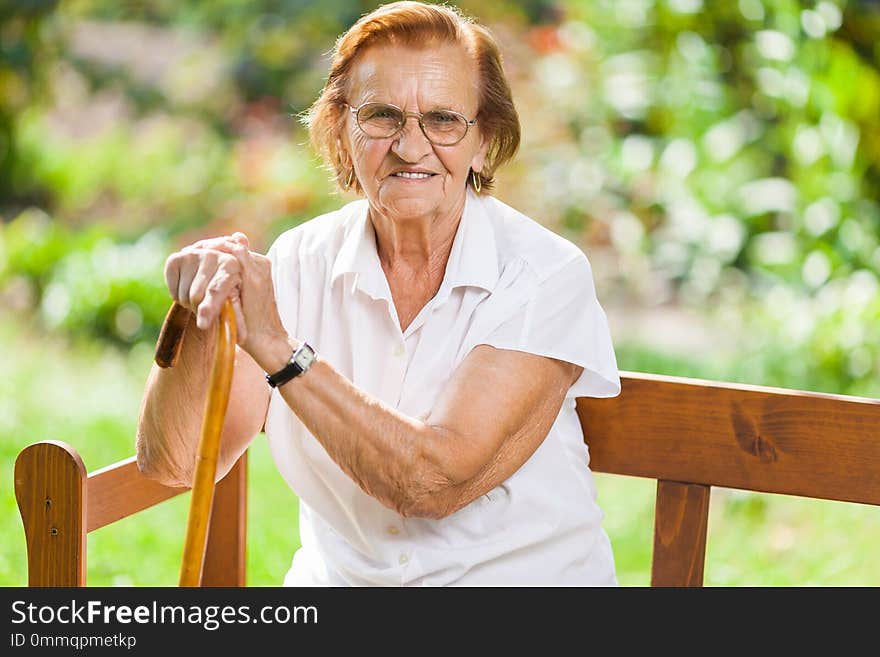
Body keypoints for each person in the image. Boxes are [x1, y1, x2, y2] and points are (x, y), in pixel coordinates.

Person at [136, 0, 621, 586]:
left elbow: (432, 483)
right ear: (341, 130)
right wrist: (200, 313)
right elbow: (176, 461)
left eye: (443, 120)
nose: (411, 147)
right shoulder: (297, 261)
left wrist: (280, 351)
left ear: (484, 139)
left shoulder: (543, 274)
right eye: (383, 116)